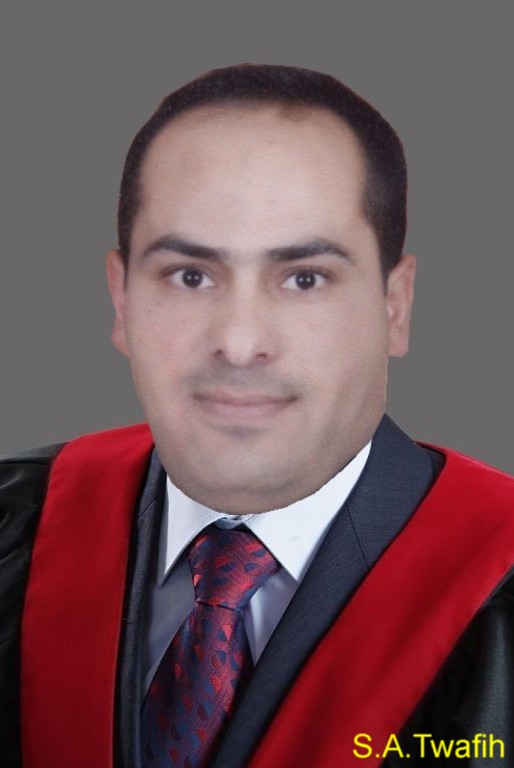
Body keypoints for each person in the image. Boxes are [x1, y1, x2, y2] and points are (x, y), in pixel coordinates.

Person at [1, 64, 514, 768]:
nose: (240, 344)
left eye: (304, 278)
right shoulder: (16, 528)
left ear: (394, 306)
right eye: (190, 276)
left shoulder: (497, 594)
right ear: (121, 300)